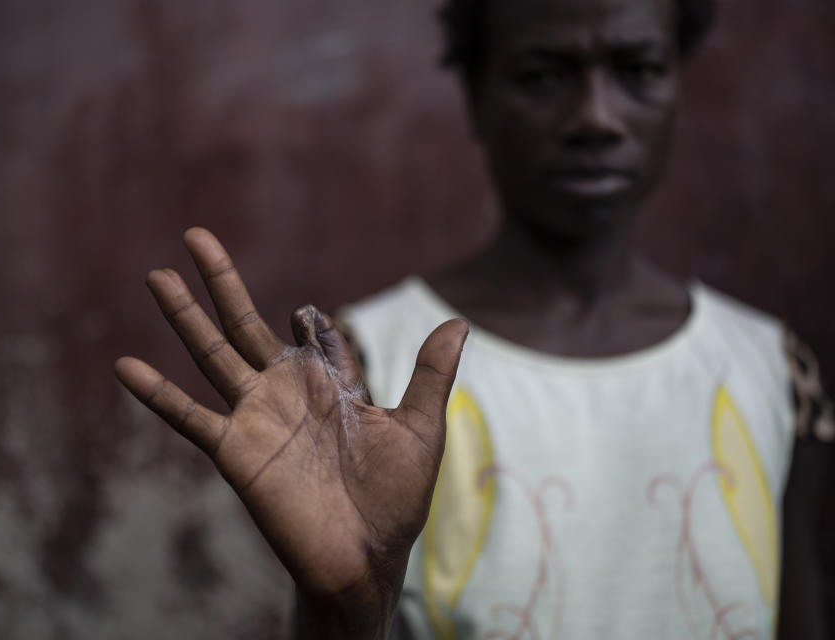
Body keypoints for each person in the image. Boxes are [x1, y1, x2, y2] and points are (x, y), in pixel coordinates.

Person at [114, 0, 833, 637]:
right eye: (542, 74)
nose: (596, 117)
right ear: (476, 97)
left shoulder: (771, 369)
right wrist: (346, 609)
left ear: (678, 83)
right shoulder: (365, 369)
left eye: (639, 67)